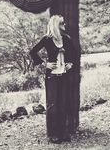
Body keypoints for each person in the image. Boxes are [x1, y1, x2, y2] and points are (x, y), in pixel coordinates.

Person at [30, 15, 75, 144]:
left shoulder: (66, 39)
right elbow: (33, 52)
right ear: (56, 25)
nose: (64, 25)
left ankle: (63, 132)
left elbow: (73, 53)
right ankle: (52, 134)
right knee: (52, 105)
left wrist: (70, 63)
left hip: (64, 76)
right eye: (61, 24)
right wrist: (45, 64)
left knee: (63, 104)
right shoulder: (47, 39)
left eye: (64, 23)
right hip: (52, 77)